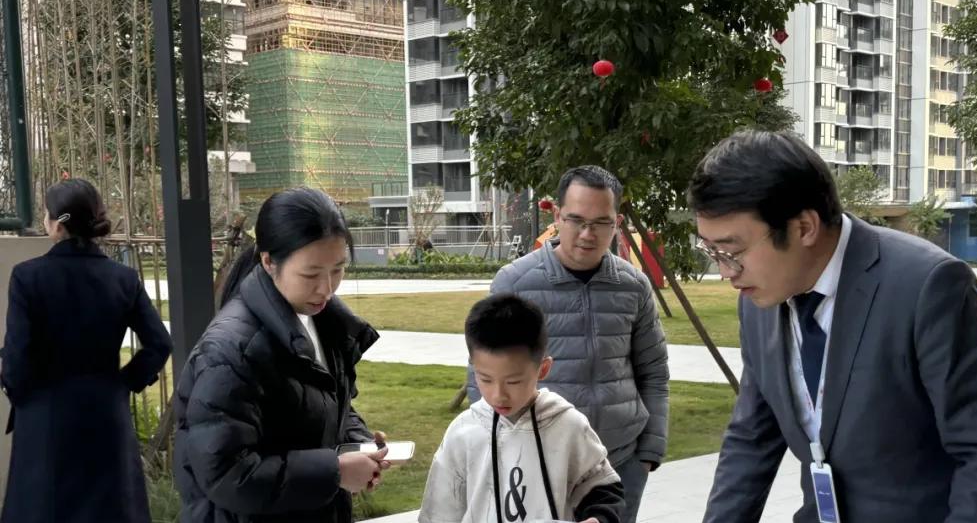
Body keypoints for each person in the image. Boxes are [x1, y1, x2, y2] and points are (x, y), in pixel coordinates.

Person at [691, 131, 977, 523]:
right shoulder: (759, 302)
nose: (725, 271)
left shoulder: (928, 287)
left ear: (804, 228)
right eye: (711, 251)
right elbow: (751, 440)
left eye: (732, 252)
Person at [173, 187, 390, 523]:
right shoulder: (230, 350)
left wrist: (357, 443)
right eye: (311, 274)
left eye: (338, 269)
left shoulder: (324, 322)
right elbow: (225, 473)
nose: (327, 288)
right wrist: (333, 472)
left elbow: (329, 405)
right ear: (268, 261)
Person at [469, 165, 669, 523]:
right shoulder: (515, 282)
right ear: (557, 216)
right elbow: (481, 375)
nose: (587, 234)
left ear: (617, 222)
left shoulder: (633, 285)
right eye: (576, 219)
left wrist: (650, 448)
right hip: (540, 458)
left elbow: (653, 371)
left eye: (601, 222)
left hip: (621, 460)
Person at [1, 178, 172, 523]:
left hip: (45, 417)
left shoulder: (28, 277)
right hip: (106, 415)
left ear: (57, 225)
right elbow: (159, 343)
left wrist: (21, 393)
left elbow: (17, 357)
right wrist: (123, 383)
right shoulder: (123, 278)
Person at [421, 293, 624, 523]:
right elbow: (439, 511)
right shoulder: (463, 431)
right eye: (485, 379)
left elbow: (602, 488)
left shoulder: (568, 426)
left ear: (543, 369)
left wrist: (598, 519)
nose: (498, 395)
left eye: (513, 382)